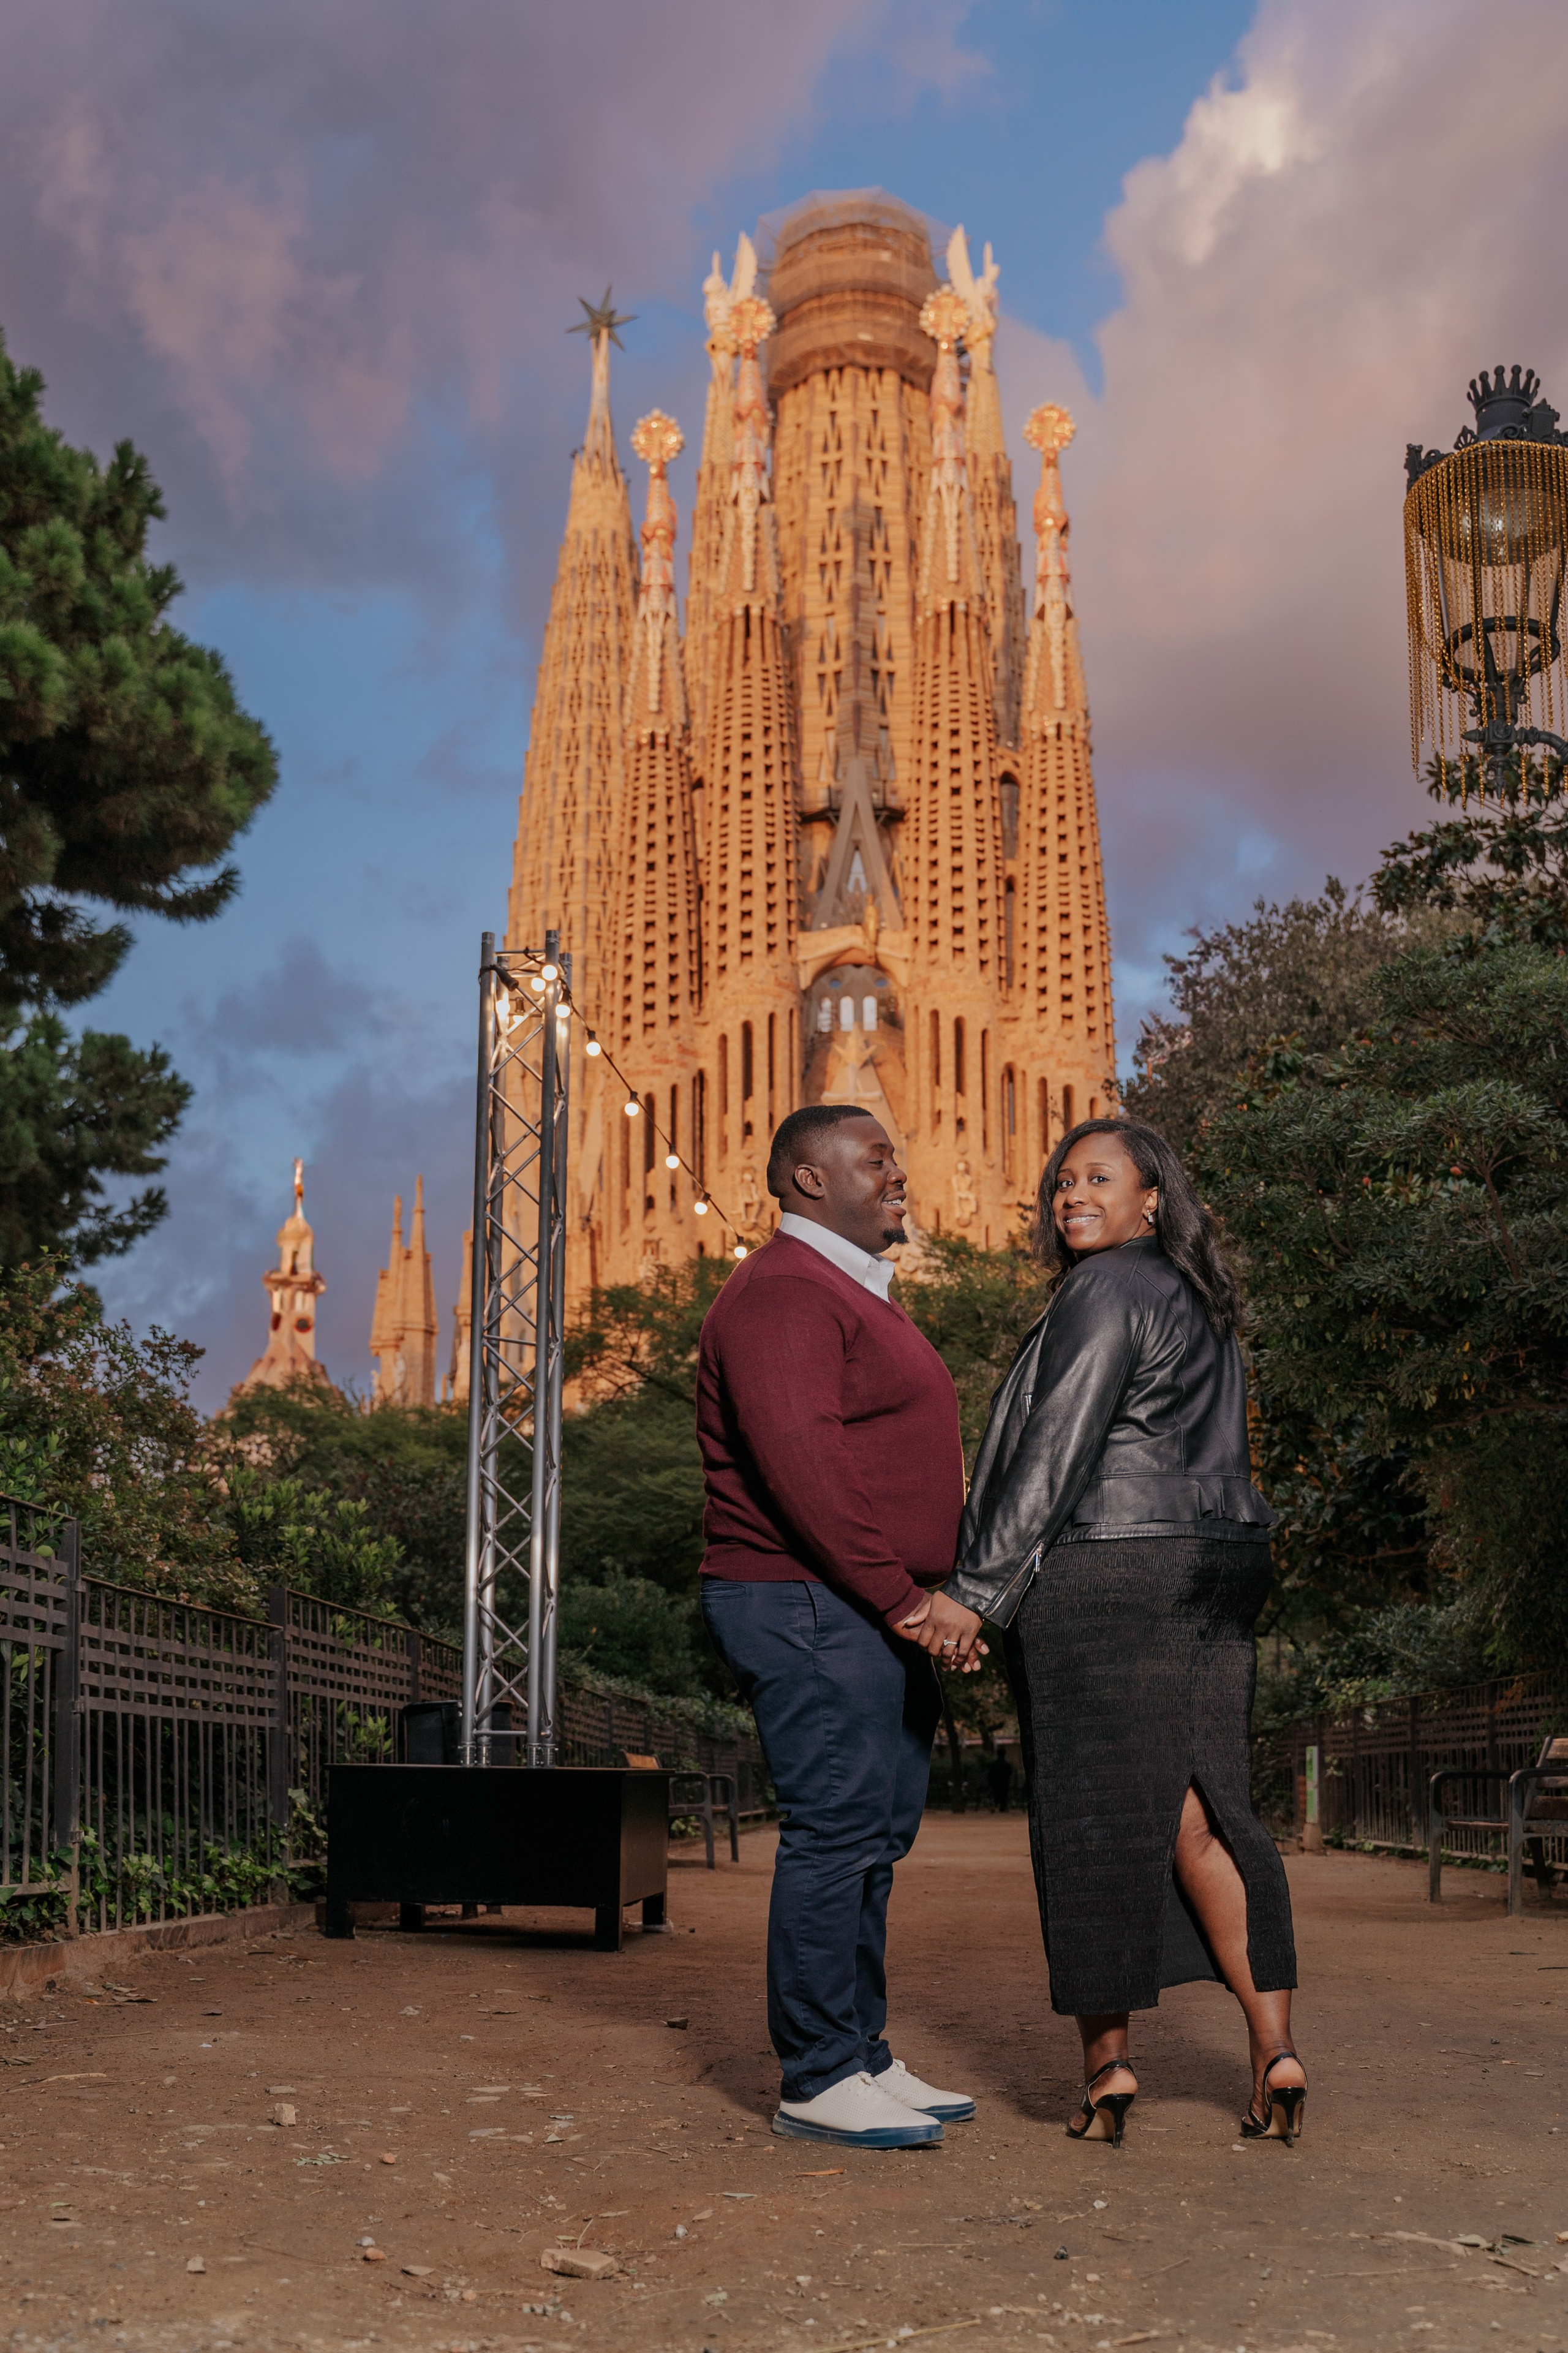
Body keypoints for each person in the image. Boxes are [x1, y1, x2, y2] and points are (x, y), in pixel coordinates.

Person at [909, 1117, 1306, 2150]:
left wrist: (974, 1589)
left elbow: (1059, 1443)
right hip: (1217, 1560)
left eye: (1099, 1177)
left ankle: (1109, 2067)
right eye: (1060, 1181)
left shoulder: (1104, 1288)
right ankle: (1276, 2051)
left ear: (1151, 1200)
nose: (1070, 1194)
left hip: (1113, 1564)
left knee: (1091, 1819)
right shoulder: (1202, 1299)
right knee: (1206, 1807)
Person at [696, 1104, 983, 2150]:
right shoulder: (781, 1292)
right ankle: (817, 2073)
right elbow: (804, 1471)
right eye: (877, 1160)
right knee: (835, 1832)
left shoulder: (846, 1290)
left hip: (855, 1603)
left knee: (875, 1833)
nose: (899, 1173)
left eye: (896, 1158)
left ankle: (859, 2050)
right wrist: (906, 1601)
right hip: (808, 1598)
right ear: (811, 1181)